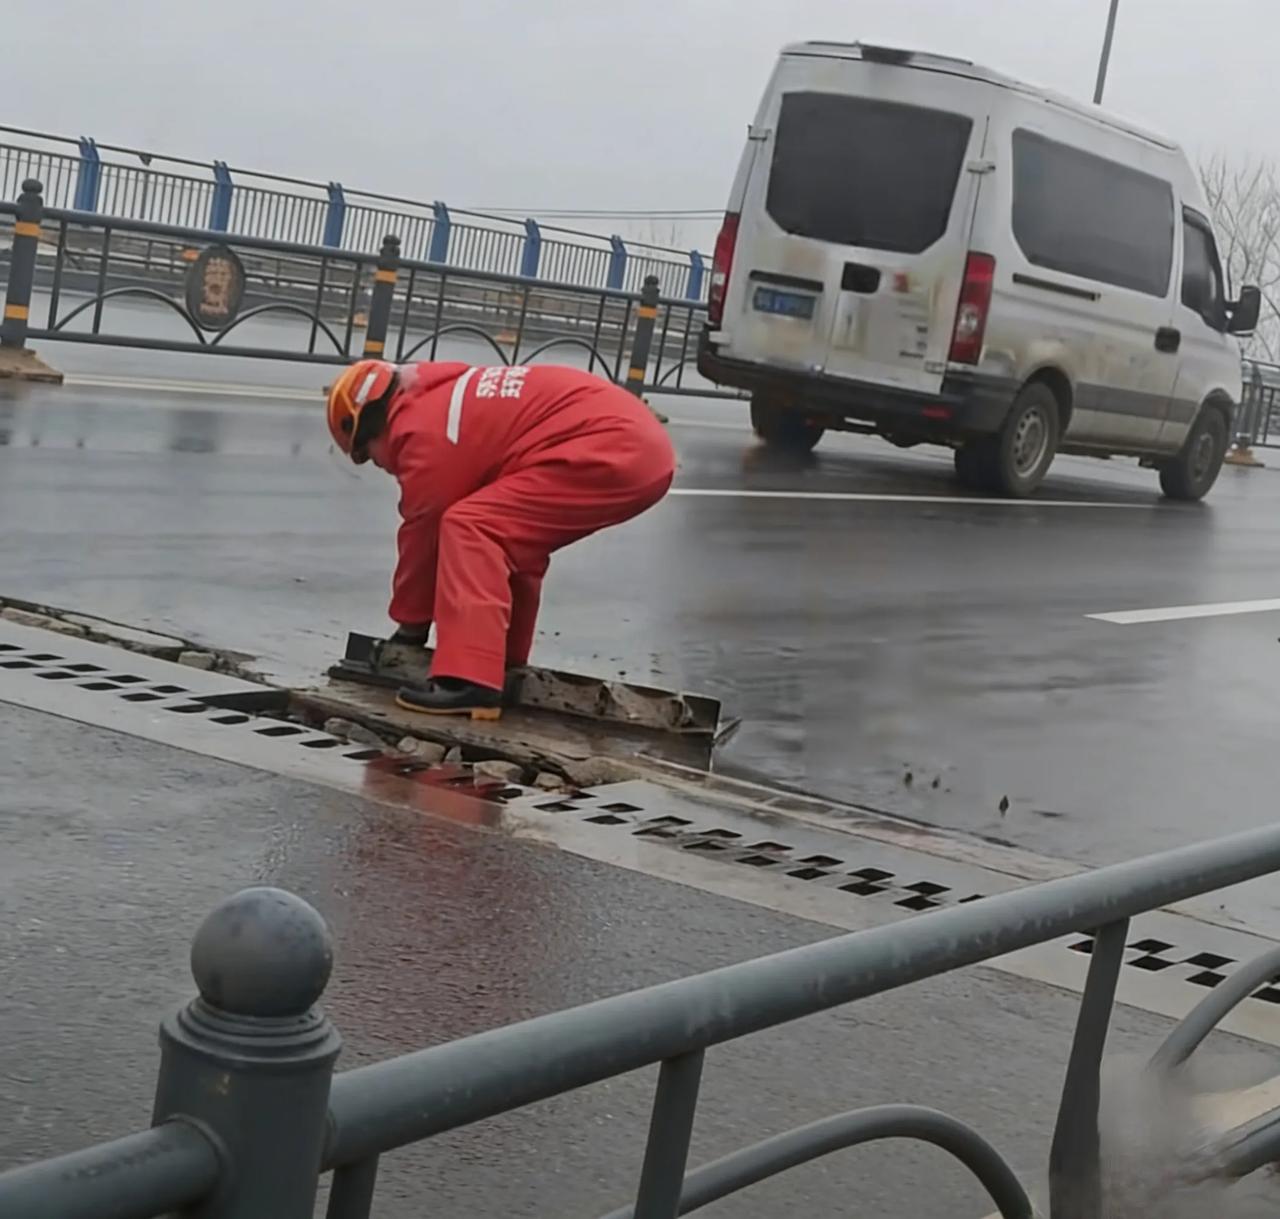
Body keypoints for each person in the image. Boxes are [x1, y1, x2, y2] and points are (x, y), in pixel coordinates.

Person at [326, 359, 676, 719]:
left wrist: (410, 630)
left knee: (472, 527)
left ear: (371, 425)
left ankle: (471, 681)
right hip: (638, 445)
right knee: (508, 534)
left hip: (614, 446)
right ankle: (501, 664)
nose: (377, 464)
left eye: (366, 454)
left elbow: (423, 534)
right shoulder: (442, 396)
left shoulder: (420, 431)